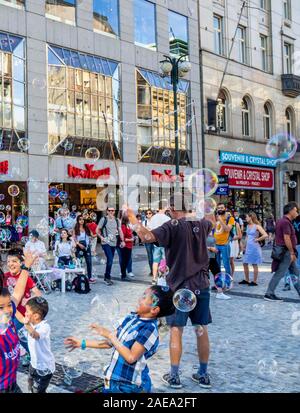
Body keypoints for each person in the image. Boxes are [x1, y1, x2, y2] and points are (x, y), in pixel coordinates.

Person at [127, 193, 214, 389]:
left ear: (173, 208)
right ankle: (203, 374)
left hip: (180, 287)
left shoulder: (172, 226)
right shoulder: (202, 223)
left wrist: (131, 216)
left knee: (176, 329)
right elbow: (212, 220)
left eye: (169, 207)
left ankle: (174, 376)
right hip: (202, 284)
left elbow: (146, 237)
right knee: (201, 328)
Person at [64, 285, 175, 393]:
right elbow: (110, 343)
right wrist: (81, 343)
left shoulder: (149, 329)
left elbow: (131, 357)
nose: (139, 298)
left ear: (154, 309)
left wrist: (112, 337)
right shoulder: (131, 318)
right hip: (112, 378)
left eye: (144, 297)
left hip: (128, 385)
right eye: (142, 295)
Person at [0, 251, 38, 393]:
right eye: (1, 307)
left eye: (9, 305)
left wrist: (26, 267)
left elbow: (17, 293)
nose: (8, 310)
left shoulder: (7, 315)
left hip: (13, 384)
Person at [4, 248, 42, 360]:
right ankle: (30, 355)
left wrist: (29, 298)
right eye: (8, 261)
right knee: (18, 336)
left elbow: (38, 294)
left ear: (21, 263)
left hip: (22, 314)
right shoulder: (4, 277)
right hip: (9, 315)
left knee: (15, 333)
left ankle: (31, 356)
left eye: (14, 261)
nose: (11, 264)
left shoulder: (25, 277)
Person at [265, 202, 300, 301]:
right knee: (280, 273)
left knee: (295, 273)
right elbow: (287, 238)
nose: (297, 213)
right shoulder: (285, 222)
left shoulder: (283, 221)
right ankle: (269, 293)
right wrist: (292, 252)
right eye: (296, 210)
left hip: (287, 252)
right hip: (286, 253)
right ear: (292, 210)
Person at [19, 297, 55, 393]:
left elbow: (35, 335)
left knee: (38, 390)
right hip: (34, 363)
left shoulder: (45, 327)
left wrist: (26, 325)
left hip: (45, 368)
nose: (25, 313)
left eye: (27, 311)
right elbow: (18, 316)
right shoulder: (31, 323)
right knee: (30, 381)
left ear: (36, 316)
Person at [97, 207, 125, 286]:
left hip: (114, 243)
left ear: (114, 211)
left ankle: (107, 276)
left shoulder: (117, 220)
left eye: (112, 210)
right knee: (110, 259)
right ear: (107, 211)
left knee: (110, 260)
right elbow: (97, 229)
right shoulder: (103, 219)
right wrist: (101, 237)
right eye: (109, 210)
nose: (111, 212)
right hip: (106, 242)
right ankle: (107, 277)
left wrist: (122, 240)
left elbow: (120, 231)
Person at [240, 213, 268, 286]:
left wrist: (257, 239)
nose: (245, 218)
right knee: (244, 263)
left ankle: (254, 281)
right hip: (248, 247)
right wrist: (244, 246)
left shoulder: (257, 226)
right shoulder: (248, 226)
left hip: (254, 248)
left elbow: (265, 235)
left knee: (254, 264)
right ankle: (247, 280)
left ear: (251, 217)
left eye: (246, 217)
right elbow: (246, 237)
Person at [147, 207, 171, 285]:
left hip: (156, 242)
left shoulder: (153, 218)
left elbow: (149, 229)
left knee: (155, 261)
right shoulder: (167, 218)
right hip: (165, 242)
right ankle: (163, 278)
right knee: (164, 260)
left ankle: (154, 278)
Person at [207, 230, 230, 300]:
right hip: (205, 257)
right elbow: (197, 245)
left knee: (217, 273)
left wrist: (214, 249)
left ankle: (220, 293)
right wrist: (210, 248)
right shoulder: (200, 231)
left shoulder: (211, 230)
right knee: (205, 275)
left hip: (212, 257)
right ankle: (206, 292)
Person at [73, 216, 96, 284]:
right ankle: (79, 278)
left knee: (89, 262)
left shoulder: (87, 228)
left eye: (83, 219)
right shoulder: (75, 229)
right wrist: (79, 244)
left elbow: (92, 235)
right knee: (79, 262)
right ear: (78, 221)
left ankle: (89, 277)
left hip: (87, 247)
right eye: (80, 220)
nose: (81, 221)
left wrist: (98, 234)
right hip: (79, 247)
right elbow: (74, 238)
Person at [214, 203, 234, 276]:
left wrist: (220, 220)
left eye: (222, 208)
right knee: (216, 265)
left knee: (226, 264)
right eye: (218, 208)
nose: (220, 209)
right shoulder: (215, 217)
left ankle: (228, 282)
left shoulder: (230, 218)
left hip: (224, 245)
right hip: (215, 244)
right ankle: (218, 283)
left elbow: (227, 229)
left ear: (225, 208)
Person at [283, 213, 300, 290]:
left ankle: (296, 283)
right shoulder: (288, 220)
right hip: (289, 246)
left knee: (297, 266)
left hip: (299, 245)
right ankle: (287, 283)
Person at [120, 214, 134, 281]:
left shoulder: (127, 225)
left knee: (127, 260)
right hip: (125, 246)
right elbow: (123, 238)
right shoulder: (123, 226)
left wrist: (132, 237)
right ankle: (123, 275)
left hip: (129, 246)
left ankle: (124, 274)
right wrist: (131, 239)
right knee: (124, 261)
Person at [229, 215, 242, 279]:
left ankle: (231, 276)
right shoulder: (223, 223)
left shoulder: (235, 224)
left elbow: (240, 236)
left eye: (229, 215)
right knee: (226, 261)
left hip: (232, 243)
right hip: (224, 243)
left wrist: (231, 238)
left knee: (231, 260)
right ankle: (227, 275)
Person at [143, 210, 155, 277]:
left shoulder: (155, 222)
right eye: (147, 213)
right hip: (147, 241)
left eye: (150, 213)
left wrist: (151, 229)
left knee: (156, 256)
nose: (148, 214)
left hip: (155, 240)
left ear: (152, 214)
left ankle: (156, 270)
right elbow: (142, 231)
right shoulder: (144, 222)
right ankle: (152, 271)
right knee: (150, 256)